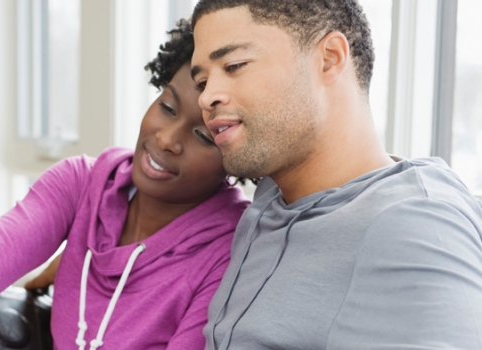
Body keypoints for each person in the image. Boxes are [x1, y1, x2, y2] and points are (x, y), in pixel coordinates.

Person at [0, 20, 252, 350]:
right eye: (166, 107)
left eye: (203, 136)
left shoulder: (231, 253)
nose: (167, 139)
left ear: (238, 153)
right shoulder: (84, 183)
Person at [189, 0, 482, 349]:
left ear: (329, 57)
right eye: (202, 81)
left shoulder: (416, 226)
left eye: (235, 65)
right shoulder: (270, 197)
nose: (207, 97)